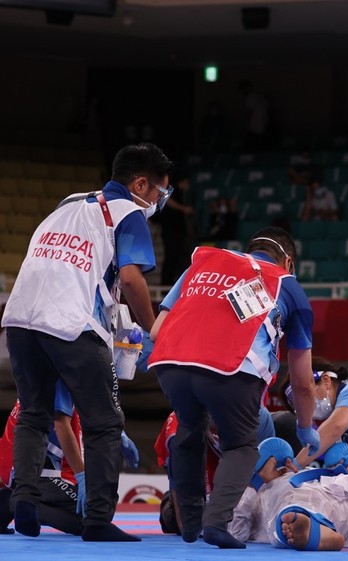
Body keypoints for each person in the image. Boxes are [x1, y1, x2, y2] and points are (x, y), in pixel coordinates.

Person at [1, 142, 172, 542]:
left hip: (19, 317)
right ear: (140, 183)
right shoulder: (129, 212)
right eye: (159, 193)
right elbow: (131, 279)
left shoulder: (68, 202)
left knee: (33, 414)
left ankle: (23, 498)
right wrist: (154, 330)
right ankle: (98, 519)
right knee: (105, 424)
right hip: (71, 322)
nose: (158, 202)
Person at [147, 225, 321, 549]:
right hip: (230, 371)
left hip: (169, 363)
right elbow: (301, 380)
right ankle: (215, 524)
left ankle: (190, 526)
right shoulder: (287, 284)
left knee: (189, 429)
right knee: (241, 446)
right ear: (288, 262)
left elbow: (157, 330)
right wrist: (306, 425)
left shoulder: (203, 261)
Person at [0, 383, 140, 536]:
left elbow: (90, 408)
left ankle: (10, 501)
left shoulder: (47, 375)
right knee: (92, 516)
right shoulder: (64, 378)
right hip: (30, 470)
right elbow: (60, 424)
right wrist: (81, 476)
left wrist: (119, 432)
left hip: (19, 465)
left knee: (93, 507)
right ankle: (20, 502)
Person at [154, 407, 275, 535]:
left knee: (256, 514)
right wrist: (187, 529)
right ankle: (179, 501)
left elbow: (266, 472)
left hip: (241, 464)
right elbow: (178, 480)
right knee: (181, 520)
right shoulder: (181, 427)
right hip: (200, 454)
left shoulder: (260, 418)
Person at [272, 356, 348, 455]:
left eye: (303, 395)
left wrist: (297, 464)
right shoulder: (340, 436)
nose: (302, 407)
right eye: (295, 404)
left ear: (326, 380)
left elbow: (335, 427)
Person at [159, 172, 195, 286]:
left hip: (179, 230)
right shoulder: (171, 190)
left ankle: (175, 283)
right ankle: (165, 284)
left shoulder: (183, 194)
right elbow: (168, 201)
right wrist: (184, 209)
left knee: (179, 258)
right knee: (171, 256)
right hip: (170, 230)